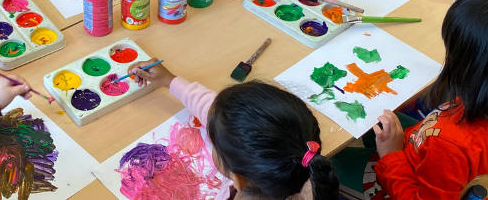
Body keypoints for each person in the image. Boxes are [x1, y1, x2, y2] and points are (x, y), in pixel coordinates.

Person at [332, 0, 488, 199]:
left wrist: (391, 156)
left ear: (478, 73)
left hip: (396, 183)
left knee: (328, 161)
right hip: (425, 152)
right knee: (372, 119)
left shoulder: (451, 146)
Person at [128, 63, 339, 199]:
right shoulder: (302, 169)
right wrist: (169, 80)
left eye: (214, 142)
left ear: (237, 180)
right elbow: (224, 116)